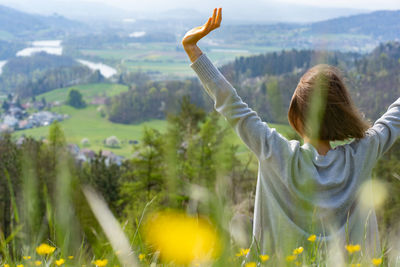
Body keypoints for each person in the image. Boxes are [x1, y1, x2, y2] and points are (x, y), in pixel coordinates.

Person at [182, 7, 400, 260]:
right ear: (343, 115)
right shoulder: (362, 154)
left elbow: (231, 104)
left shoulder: (275, 151)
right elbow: (394, 117)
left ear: (296, 115)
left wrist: (193, 49)